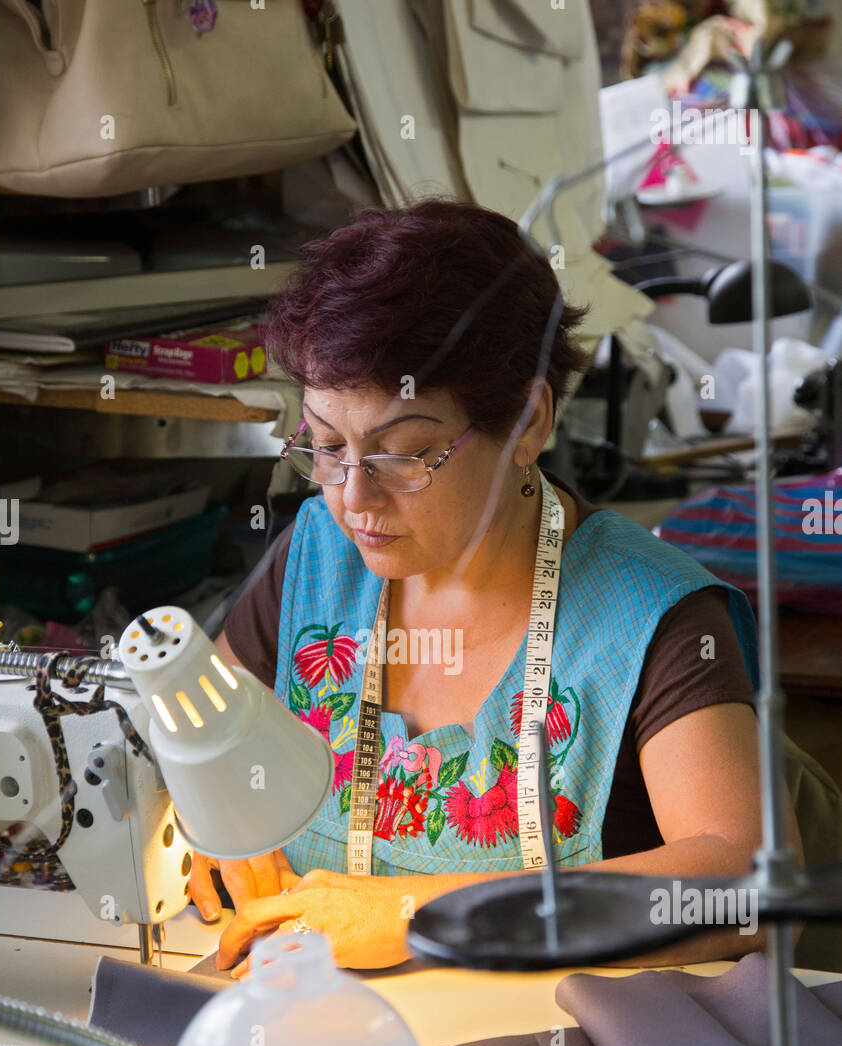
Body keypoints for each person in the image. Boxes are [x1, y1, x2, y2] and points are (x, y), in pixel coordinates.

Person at [188, 199, 803, 973]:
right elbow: (197, 743)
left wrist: (418, 915)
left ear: (528, 422)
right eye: (324, 443)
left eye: (403, 454)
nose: (352, 498)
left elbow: (753, 889)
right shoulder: (317, 556)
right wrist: (211, 824)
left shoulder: (656, 615)